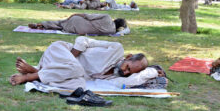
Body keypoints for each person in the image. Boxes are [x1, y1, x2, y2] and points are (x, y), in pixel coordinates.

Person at [10, 36, 149, 89]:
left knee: (79, 85)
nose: (124, 72)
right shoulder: (116, 49)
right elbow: (84, 40)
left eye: (128, 73)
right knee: (77, 69)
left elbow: (138, 79)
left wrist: (156, 72)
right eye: (128, 68)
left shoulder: (115, 76)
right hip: (60, 52)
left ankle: (38, 72)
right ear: (128, 57)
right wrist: (71, 57)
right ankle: (28, 77)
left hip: (60, 71)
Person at [28, 13, 127, 35]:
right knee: (61, 27)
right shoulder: (111, 32)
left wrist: (74, 14)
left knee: (60, 23)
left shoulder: (107, 17)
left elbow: (88, 16)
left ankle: (41, 25)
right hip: (78, 31)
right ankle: (43, 26)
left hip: (78, 22)